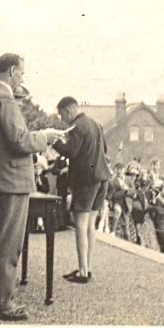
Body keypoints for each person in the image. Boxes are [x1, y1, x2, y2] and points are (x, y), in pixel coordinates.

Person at [0, 53, 61, 321]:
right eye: (22, 73)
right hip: (11, 182)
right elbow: (20, 141)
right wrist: (45, 137)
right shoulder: (4, 99)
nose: (23, 77)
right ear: (12, 71)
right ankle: (2, 305)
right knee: (7, 245)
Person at [52, 96, 111, 283]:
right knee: (90, 225)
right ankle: (87, 267)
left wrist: (54, 141)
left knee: (80, 225)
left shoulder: (77, 127)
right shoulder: (95, 124)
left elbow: (71, 152)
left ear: (68, 110)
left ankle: (83, 272)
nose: (62, 119)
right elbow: (106, 149)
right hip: (102, 178)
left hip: (86, 180)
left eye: (62, 115)